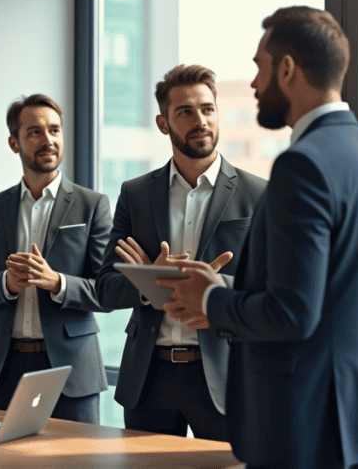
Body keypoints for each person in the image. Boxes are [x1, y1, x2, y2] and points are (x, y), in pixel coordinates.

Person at [161, 6, 358, 468]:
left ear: (287, 68)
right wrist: (222, 287)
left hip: (302, 420)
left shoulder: (303, 165)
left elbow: (294, 313)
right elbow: (333, 294)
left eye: (259, 66)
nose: (253, 83)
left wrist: (210, 303)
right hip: (353, 416)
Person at [83, 65, 266, 441]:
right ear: (164, 123)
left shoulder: (258, 195)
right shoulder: (136, 194)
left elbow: (272, 290)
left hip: (223, 377)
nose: (200, 120)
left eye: (208, 109)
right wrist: (150, 279)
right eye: (185, 112)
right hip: (149, 379)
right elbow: (104, 289)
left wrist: (214, 286)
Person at [0, 94, 111, 423]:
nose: (48, 140)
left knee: (77, 463)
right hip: (5, 367)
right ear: (14, 143)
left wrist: (56, 282)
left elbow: (108, 291)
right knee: (5, 461)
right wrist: (6, 283)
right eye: (35, 132)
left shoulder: (93, 204)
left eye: (55, 130)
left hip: (71, 370)